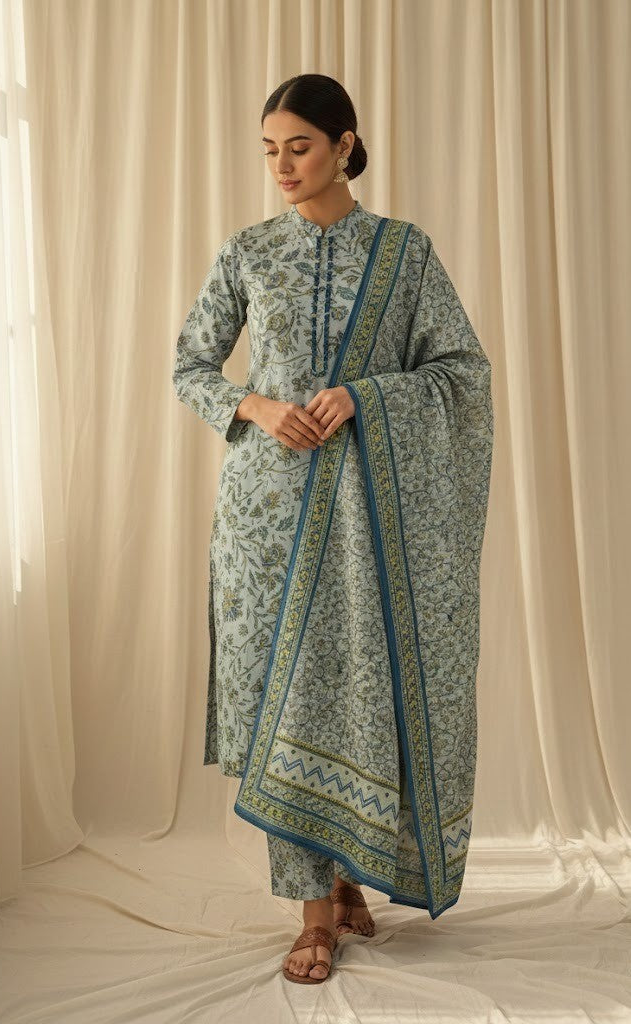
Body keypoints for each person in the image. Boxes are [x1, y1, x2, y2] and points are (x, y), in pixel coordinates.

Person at [172, 73, 493, 984]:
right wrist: (256, 405)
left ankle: (349, 885)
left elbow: (460, 371)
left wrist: (365, 396)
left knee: (355, 687)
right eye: (269, 149)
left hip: (370, 518)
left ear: (346, 145)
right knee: (287, 697)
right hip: (265, 518)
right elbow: (190, 364)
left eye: (299, 146)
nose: (281, 165)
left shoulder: (403, 254)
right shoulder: (249, 252)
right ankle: (312, 915)